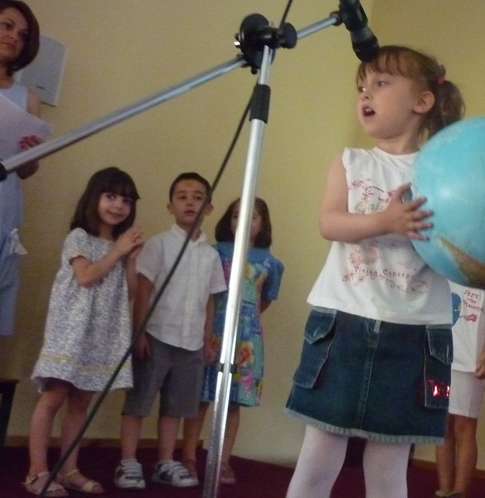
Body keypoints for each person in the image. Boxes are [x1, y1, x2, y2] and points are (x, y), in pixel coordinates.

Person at [284, 45, 465, 498]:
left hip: (415, 332)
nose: (366, 93)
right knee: (318, 456)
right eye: (362, 87)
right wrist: (386, 221)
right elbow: (330, 222)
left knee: (389, 467)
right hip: (343, 322)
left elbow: (459, 242)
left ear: (422, 101)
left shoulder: (444, 171)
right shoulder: (351, 161)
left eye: (381, 84)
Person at [24, 167, 143, 497]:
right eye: (111, 196)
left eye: (126, 200)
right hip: (71, 332)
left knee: (81, 402)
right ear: (94, 198)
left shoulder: (120, 246)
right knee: (54, 396)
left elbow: (129, 292)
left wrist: (131, 260)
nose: (118, 205)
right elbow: (86, 276)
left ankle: (68, 469)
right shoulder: (79, 236)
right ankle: (36, 471)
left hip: (100, 336)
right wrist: (117, 252)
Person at [115, 172, 226, 490]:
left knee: (175, 407)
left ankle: (165, 461)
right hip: (156, 337)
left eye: (198, 197)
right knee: (139, 401)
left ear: (208, 208)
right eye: (182, 196)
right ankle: (127, 461)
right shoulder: (159, 245)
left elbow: (209, 301)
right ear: (170, 206)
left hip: (190, 343)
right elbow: (144, 289)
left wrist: (206, 341)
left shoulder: (210, 255)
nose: (190, 202)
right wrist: (140, 332)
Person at [181, 196, 284, 485]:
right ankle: (188, 457)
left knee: (232, 403)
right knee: (201, 397)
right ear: (229, 220)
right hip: (212, 332)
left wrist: (247, 320)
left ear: (263, 224)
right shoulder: (214, 253)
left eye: (253, 217)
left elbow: (265, 300)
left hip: (246, 341)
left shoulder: (270, 262)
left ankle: (222, 461)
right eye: (237, 215)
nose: (244, 221)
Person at [435, 282, 485, 498]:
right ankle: (444, 490)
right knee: (443, 428)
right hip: (440, 363)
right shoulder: (444, 273)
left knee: (464, 429)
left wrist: (484, 359)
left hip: (469, 368)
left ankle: (460, 493)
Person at [0, 0, 45, 338]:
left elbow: (28, 171)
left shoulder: (28, 97)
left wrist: (31, 153)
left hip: (5, 206)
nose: (15, 36)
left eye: (23, 34)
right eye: (7, 26)